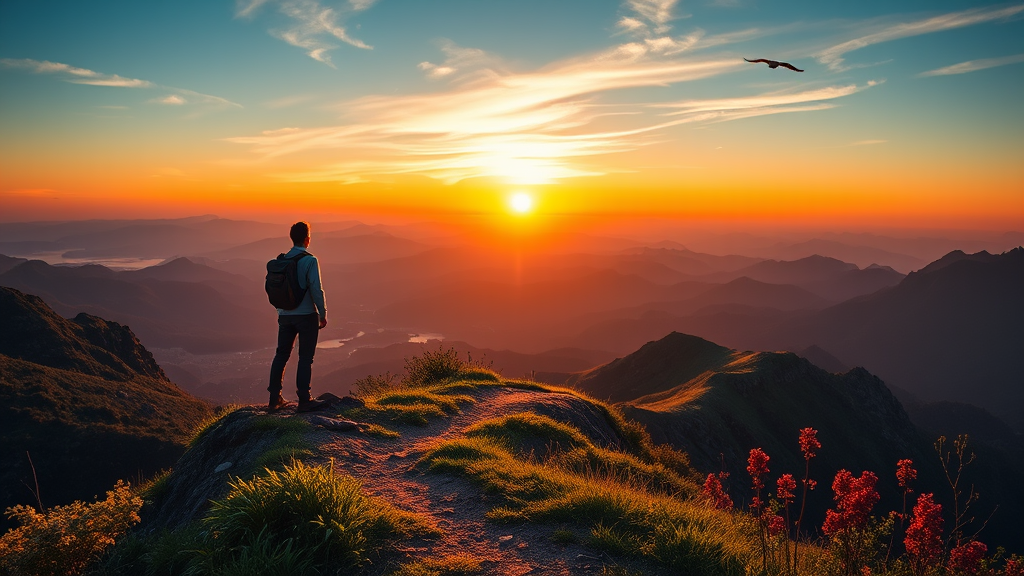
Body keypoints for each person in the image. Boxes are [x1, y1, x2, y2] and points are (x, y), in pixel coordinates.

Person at [268, 221, 329, 412]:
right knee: (305, 358)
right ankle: (304, 399)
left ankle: (274, 398)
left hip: (284, 316)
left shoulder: (283, 260)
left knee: (281, 355)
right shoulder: (310, 260)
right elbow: (316, 289)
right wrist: (323, 313)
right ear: (307, 239)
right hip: (306, 316)